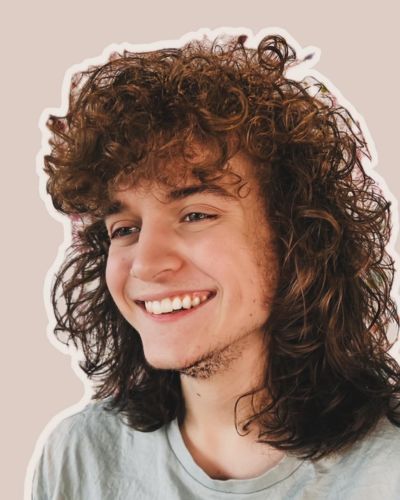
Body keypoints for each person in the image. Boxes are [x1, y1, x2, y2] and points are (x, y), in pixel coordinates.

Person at [31, 31, 400, 499]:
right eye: (124, 229)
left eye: (195, 215)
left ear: (295, 237)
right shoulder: (79, 457)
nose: (145, 264)